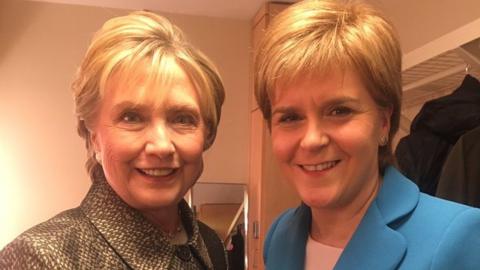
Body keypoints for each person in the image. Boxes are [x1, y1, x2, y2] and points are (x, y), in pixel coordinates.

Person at [254, 0, 480, 269]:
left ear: (383, 122)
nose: (312, 139)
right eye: (290, 117)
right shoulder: (280, 235)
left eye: (339, 111)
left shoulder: (458, 237)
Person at [0, 11, 227, 269]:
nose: (161, 145)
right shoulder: (43, 257)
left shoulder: (211, 244)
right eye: (132, 117)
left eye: (183, 119)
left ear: (207, 134)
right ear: (93, 135)